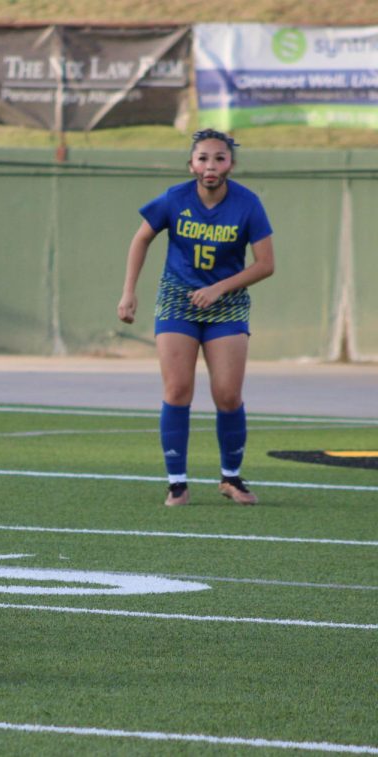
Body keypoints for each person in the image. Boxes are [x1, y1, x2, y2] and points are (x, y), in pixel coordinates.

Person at [118, 129, 275, 507]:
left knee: (228, 394)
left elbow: (266, 264)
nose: (211, 165)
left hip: (227, 304)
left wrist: (221, 288)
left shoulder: (248, 204)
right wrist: (129, 291)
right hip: (178, 300)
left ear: (230, 165)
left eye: (219, 158)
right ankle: (177, 483)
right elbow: (141, 238)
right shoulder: (174, 198)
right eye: (203, 158)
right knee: (177, 390)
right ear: (191, 164)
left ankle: (231, 478)